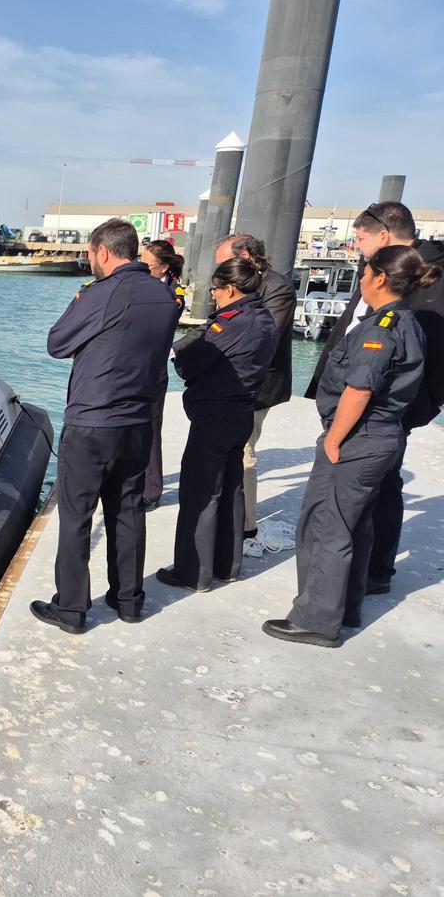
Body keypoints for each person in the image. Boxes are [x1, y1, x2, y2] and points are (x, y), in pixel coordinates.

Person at [264, 245, 433, 647]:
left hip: (360, 437)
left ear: (379, 278)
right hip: (382, 437)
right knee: (356, 527)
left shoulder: (382, 327)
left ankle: (316, 620)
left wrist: (334, 440)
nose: (360, 279)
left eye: (365, 272)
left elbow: (359, 389)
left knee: (325, 527)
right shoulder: (406, 321)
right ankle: (346, 608)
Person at [32, 219, 181, 633]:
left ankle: (72, 609)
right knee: (129, 511)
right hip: (137, 421)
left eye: (90, 253)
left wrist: (80, 300)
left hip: (93, 420)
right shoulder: (165, 295)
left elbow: (57, 343)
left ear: (103, 251)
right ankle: (129, 600)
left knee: (77, 516)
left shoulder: (100, 293)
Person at [305, 202, 444, 594]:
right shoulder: (385, 273)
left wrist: (411, 411)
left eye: (361, 239)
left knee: (370, 493)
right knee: (365, 494)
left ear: (383, 235)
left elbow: (421, 354)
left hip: (380, 412)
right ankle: (356, 577)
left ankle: (368, 574)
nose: (357, 247)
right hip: (362, 406)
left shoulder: (417, 282)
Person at [156, 258, 278, 592]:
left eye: (216, 290)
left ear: (230, 288)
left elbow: (192, 360)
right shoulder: (265, 318)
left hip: (215, 415)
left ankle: (192, 572)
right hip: (241, 412)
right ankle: (227, 565)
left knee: (201, 492)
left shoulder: (231, 323)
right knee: (231, 490)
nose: (214, 296)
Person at [213, 234, 295, 538]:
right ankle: (227, 514)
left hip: (257, 385)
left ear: (244, 255)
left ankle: (245, 527)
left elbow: (265, 337)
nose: (220, 273)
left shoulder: (277, 286)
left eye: (224, 263)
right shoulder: (237, 282)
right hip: (229, 381)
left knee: (244, 452)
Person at [140, 239, 187, 512]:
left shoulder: (173, 294)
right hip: (132, 367)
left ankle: (151, 490)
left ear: (164, 267)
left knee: (150, 429)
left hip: (153, 369)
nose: (142, 269)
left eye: (148, 265)